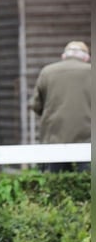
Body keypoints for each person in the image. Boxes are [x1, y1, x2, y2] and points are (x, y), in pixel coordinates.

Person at [30, 41, 91, 172]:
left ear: (64, 56)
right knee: (87, 182)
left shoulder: (47, 72)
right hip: (89, 139)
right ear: (86, 58)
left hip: (54, 138)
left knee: (56, 182)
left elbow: (36, 105)